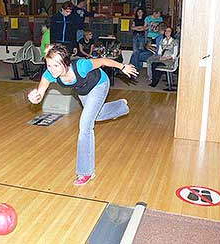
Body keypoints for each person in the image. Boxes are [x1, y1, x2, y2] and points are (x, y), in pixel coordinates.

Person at [28, 44, 138, 186]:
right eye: (49, 65)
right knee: (95, 116)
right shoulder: (50, 74)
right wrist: (36, 96)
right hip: (83, 92)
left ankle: (85, 172)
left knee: (85, 125)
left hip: (99, 84)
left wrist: (123, 67)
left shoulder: (81, 65)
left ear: (66, 63)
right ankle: (120, 107)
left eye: (56, 65)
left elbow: (103, 61)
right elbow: (41, 91)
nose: (52, 69)